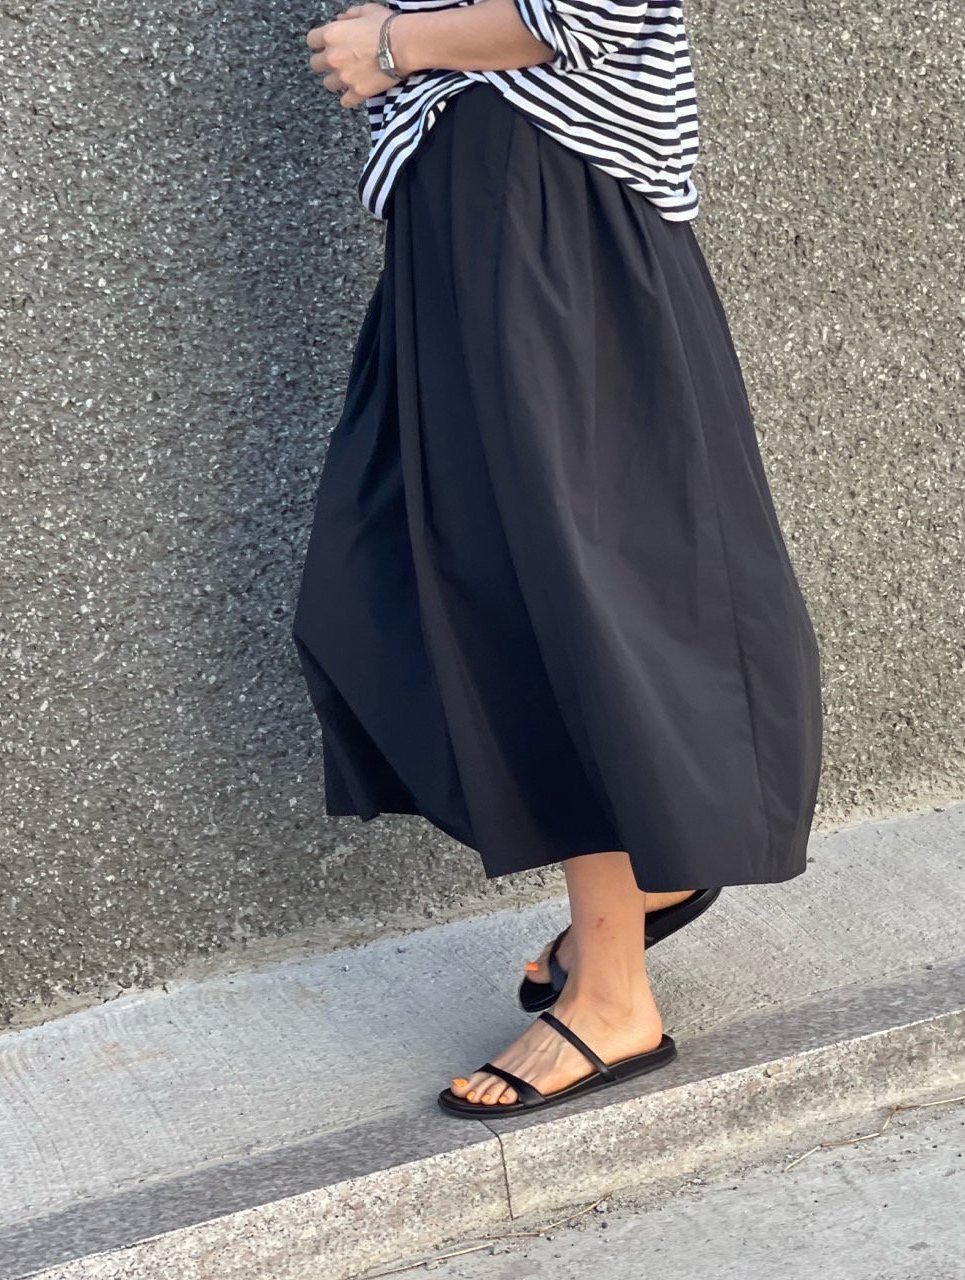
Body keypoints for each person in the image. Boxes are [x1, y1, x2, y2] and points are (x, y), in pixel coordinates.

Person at [298, 0, 823, 1117]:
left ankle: (614, 994)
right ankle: (657, 857)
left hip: (544, 190)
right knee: (422, 577)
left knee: (570, 590)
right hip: (468, 197)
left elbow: (587, 9)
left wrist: (394, 45)